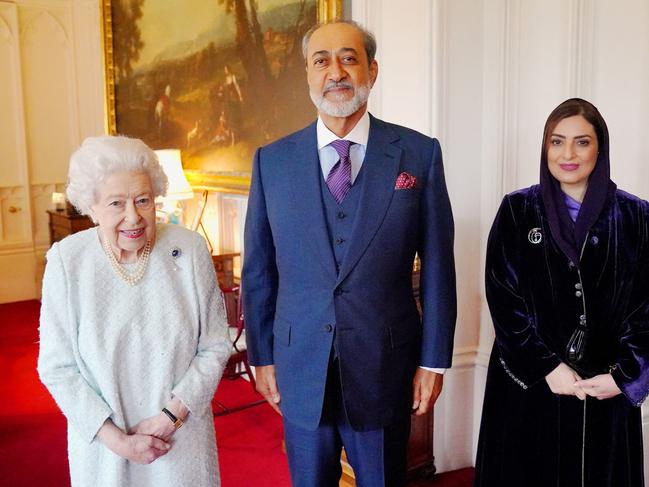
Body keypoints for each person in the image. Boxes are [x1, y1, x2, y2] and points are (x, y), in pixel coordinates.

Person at [242, 20, 456, 486]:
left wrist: (433, 360)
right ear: (308, 75)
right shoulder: (271, 162)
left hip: (385, 366)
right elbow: (258, 270)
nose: (335, 71)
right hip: (300, 368)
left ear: (371, 71)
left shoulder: (419, 155)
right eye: (321, 60)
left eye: (348, 58)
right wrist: (261, 356)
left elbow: (439, 266)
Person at [38, 135, 231, 486]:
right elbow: (57, 367)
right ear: (91, 207)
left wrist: (170, 418)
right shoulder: (68, 262)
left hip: (180, 438)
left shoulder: (189, 250)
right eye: (116, 203)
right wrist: (118, 440)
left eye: (143, 200)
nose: (134, 216)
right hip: (104, 448)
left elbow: (216, 346)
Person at [474, 98, 649, 487]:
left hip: (605, 390)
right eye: (557, 142)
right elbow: (503, 298)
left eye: (581, 142)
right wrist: (547, 367)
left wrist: (623, 377)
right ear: (545, 148)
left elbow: (646, 308)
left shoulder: (637, 216)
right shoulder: (518, 211)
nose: (568, 154)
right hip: (530, 386)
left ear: (599, 148)